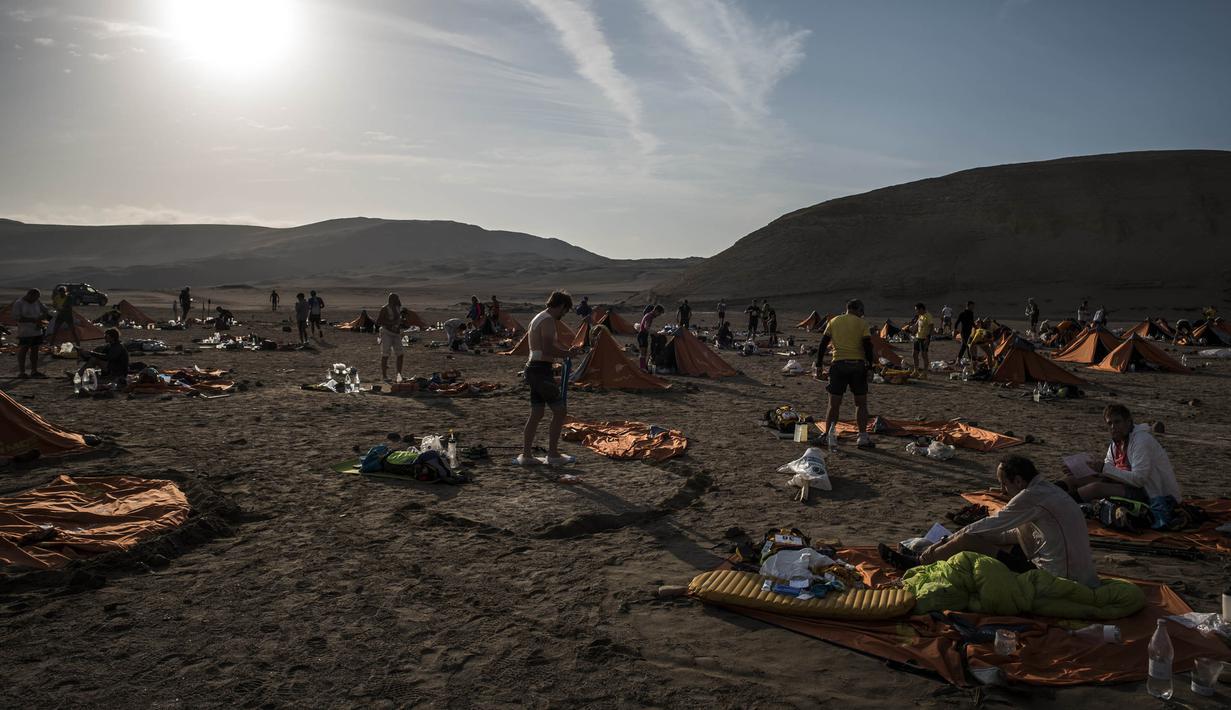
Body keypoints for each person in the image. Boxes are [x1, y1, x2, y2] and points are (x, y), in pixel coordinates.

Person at [880, 455, 1099, 588]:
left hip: (1058, 578)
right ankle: (927, 555)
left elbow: (988, 525)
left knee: (968, 538)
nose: (1002, 491)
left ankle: (920, 561)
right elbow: (1014, 533)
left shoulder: (1029, 497)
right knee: (985, 537)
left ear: (1019, 480)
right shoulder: (1045, 490)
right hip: (1076, 572)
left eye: (1004, 484)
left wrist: (955, 539)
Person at [1063, 404, 1182, 507]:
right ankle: (1047, 499)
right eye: (1110, 423)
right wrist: (1082, 470)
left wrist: (1103, 468)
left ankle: (1058, 505)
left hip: (1150, 493)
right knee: (1073, 480)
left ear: (1128, 422)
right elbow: (1107, 470)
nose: (1113, 427)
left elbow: (1139, 480)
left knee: (1096, 488)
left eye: (1117, 422)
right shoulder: (1116, 443)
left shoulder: (1141, 441)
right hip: (1123, 484)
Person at [518, 291, 583, 467]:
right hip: (540, 371)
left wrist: (565, 351)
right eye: (565, 310)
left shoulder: (539, 318)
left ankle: (527, 455)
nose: (564, 314)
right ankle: (553, 454)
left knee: (537, 413)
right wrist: (567, 353)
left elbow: (549, 345)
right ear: (561, 306)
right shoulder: (547, 320)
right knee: (560, 411)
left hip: (535, 369)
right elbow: (547, 348)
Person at [815, 299, 875, 450]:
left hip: (838, 365)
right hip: (858, 366)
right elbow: (867, 346)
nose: (863, 314)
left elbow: (823, 344)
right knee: (860, 403)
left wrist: (819, 365)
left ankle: (829, 434)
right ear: (858, 310)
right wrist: (870, 367)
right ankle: (862, 437)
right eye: (862, 311)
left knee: (834, 404)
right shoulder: (862, 324)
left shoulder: (834, 321)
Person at [12, 289, 52, 379]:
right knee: (24, 350)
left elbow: (46, 310)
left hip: (37, 331)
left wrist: (42, 318)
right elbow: (16, 317)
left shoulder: (36, 301)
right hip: (25, 331)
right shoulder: (19, 303)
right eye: (35, 298)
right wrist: (33, 320)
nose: (36, 300)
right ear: (30, 295)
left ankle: (34, 371)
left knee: (35, 351)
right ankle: (22, 372)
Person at [374, 293, 405, 381]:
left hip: (396, 333)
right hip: (386, 332)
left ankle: (399, 374)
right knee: (385, 354)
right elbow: (379, 321)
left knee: (400, 354)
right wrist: (391, 323)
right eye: (396, 299)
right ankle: (384, 376)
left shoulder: (397, 307)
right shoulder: (384, 309)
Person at [907, 302, 934, 376]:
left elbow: (931, 327)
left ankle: (925, 372)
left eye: (917, 310)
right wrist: (911, 328)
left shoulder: (928, 316)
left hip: (924, 338)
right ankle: (916, 371)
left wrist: (928, 338)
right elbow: (916, 326)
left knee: (924, 355)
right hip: (917, 337)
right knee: (914, 354)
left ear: (921, 309)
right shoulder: (920, 316)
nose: (916, 311)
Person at [637, 305, 665, 371]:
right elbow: (646, 328)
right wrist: (655, 333)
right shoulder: (649, 316)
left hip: (644, 335)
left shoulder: (650, 316)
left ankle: (643, 366)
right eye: (659, 313)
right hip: (642, 335)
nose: (659, 315)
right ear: (656, 311)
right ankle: (642, 367)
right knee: (643, 352)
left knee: (645, 352)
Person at [953, 301, 975, 365]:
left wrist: (976, 328)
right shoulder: (962, 313)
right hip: (964, 332)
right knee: (966, 346)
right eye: (972, 306)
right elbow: (957, 322)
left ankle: (969, 360)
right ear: (968, 306)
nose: (973, 307)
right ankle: (959, 360)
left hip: (970, 332)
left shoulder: (971, 313)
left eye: (973, 306)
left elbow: (972, 322)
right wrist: (955, 330)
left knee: (967, 346)